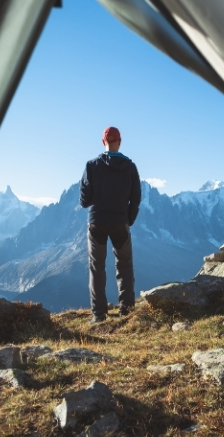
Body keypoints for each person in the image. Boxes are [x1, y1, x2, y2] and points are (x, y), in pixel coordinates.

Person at [79, 126, 141, 324]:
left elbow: (84, 200)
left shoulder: (91, 166)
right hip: (119, 222)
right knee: (124, 266)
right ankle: (127, 310)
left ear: (103, 142)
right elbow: (136, 198)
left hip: (96, 222)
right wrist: (128, 220)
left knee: (97, 267)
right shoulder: (130, 167)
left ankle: (99, 315)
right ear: (119, 142)